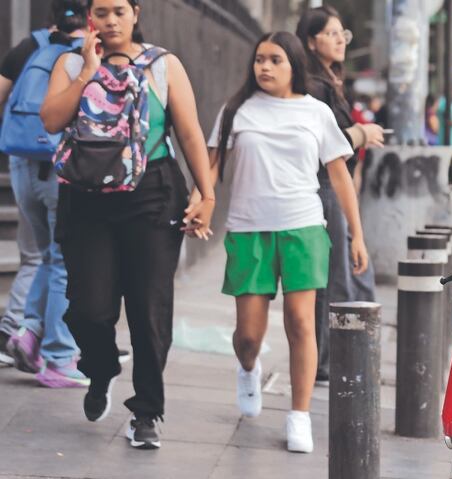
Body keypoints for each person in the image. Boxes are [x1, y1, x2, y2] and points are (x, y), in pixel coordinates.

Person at [41, 0, 216, 448]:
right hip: (86, 197)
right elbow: (52, 120)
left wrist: (207, 193)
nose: (111, 20)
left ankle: (147, 412)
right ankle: (100, 369)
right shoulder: (70, 63)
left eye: (119, 10)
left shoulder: (162, 65)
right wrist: (87, 71)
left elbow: (190, 132)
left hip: (151, 192)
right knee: (89, 308)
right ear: (90, 17)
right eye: (101, 12)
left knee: (149, 307)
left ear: (136, 13)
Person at [207, 31, 368, 454]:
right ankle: (248, 368)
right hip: (248, 230)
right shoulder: (237, 110)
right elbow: (212, 166)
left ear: (294, 65)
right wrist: (200, 201)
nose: (264, 67)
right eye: (259, 59)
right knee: (248, 335)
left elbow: (339, 177)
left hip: (303, 227)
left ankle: (300, 415)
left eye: (274, 59)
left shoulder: (316, 112)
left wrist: (356, 234)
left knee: (301, 322)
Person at [296, 6, 384, 386]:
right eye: (331, 33)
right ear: (310, 40)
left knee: (350, 276)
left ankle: (342, 356)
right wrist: (361, 134)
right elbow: (320, 144)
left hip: (335, 188)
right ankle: (327, 360)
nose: (339, 40)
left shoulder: (329, 81)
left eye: (342, 34)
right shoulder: (313, 86)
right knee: (337, 280)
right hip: (324, 187)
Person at [0, 0, 86, 386]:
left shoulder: (29, 46)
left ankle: (28, 331)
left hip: (21, 164)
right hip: (60, 167)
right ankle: (59, 355)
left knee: (43, 256)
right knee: (64, 260)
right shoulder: (87, 54)